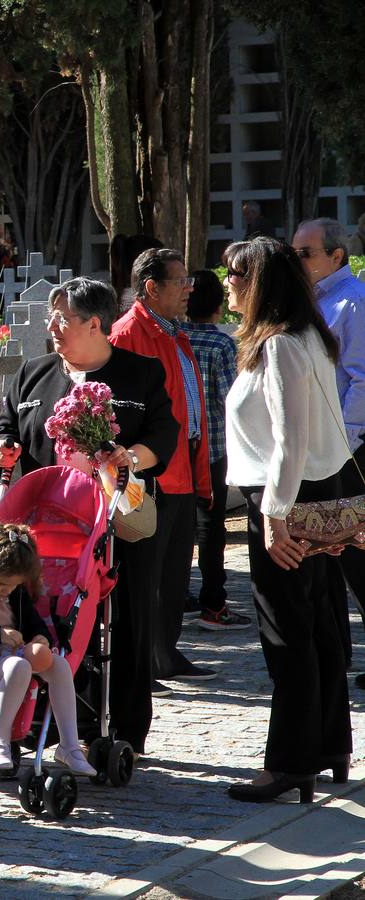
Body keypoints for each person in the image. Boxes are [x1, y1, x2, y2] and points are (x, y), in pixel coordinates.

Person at [0, 276, 178, 755]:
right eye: (52, 317)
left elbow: (164, 438)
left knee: (128, 622)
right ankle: (38, 725)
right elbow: (5, 425)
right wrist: (2, 447)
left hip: (118, 523)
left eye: (63, 319)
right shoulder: (32, 373)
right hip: (47, 532)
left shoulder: (142, 373)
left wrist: (128, 457)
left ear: (95, 324)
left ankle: (124, 733)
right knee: (47, 622)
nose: (52, 327)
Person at [222, 237, 353, 800]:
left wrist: (275, 516)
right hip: (324, 490)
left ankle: (290, 762)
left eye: (235, 276)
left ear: (257, 285)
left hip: (287, 497)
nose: (227, 285)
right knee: (320, 624)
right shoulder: (309, 337)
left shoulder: (279, 345)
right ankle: (329, 748)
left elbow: (288, 441)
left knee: (288, 634)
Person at [111, 248, 216, 687]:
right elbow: (116, 408)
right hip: (148, 473)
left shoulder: (175, 332)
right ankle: (138, 662)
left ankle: (164, 654)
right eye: (181, 281)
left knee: (174, 573)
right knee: (143, 576)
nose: (189, 288)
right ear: (152, 288)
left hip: (182, 468)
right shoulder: (128, 333)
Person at [0, 523, 97, 777]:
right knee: (18, 665)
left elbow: (36, 625)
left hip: (11, 661)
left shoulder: (16, 595)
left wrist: (40, 639)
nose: (7, 591)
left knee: (59, 665)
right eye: (2, 584)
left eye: (13, 586)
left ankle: (69, 745)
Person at [293, 217, 365, 689]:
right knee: (336, 556)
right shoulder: (314, 301)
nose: (298, 262)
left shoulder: (352, 302)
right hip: (326, 448)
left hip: (350, 449)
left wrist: (345, 442)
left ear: (336, 256)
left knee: (358, 554)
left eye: (307, 254)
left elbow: (360, 380)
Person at [178, 271, 251, 631]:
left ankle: (181, 596)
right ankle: (214, 603)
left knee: (180, 526)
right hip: (214, 447)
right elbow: (231, 399)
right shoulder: (223, 345)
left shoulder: (177, 339)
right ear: (219, 308)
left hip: (178, 448)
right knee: (210, 527)